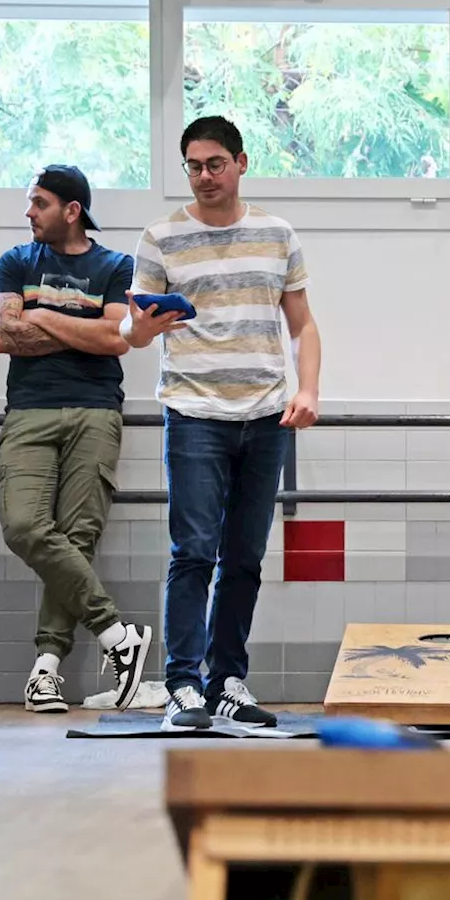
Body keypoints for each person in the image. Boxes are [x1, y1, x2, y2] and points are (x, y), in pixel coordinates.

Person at [123, 116, 322, 731]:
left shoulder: (277, 233)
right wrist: (143, 329)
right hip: (194, 413)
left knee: (245, 557)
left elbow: (303, 327)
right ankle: (183, 684)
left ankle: (227, 678)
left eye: (214, 163)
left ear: (240, 163)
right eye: (193, 165)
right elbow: (130, 332)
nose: (204, 176)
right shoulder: (161, 237)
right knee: (193, 553)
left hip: (265, 416)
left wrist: (309, 388)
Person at [0, 164, 153, 714]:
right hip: (29, 411)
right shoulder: (15, 261)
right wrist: (83, 326)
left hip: (97, 410)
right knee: (26, 527)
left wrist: (44, 314)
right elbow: (2, 335)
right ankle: (117, 636)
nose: (29, 212)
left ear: (71, 210)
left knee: (78, 538)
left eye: (39, 203)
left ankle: (45, 671)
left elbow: (116, 340)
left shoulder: (115, 264)